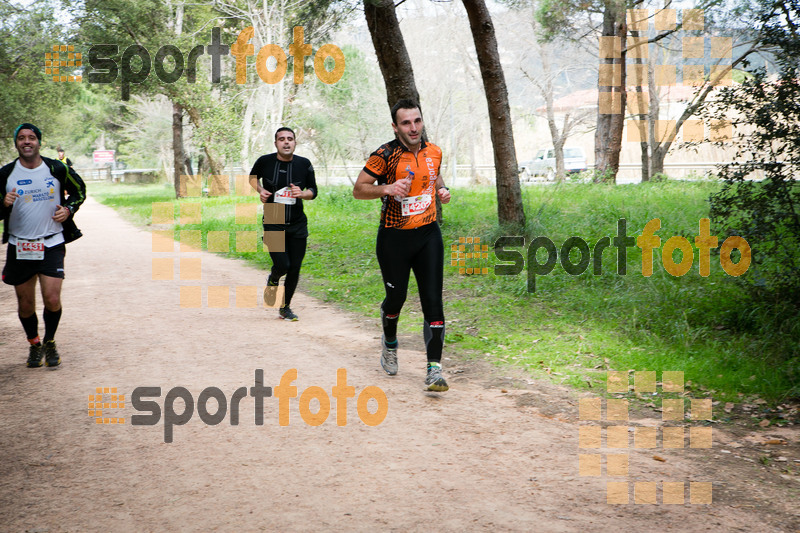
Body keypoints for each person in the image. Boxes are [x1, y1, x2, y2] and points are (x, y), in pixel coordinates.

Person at [353, 99, 451, 392]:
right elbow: (359, 189)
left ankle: (434, 370)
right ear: (395, 127)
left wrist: (442, 189)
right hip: (394, 238)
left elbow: (434, 176)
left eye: (417, 121)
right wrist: (387, 188)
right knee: (396, 300)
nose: (413, 128)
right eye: (406, 123)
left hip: (428, 234)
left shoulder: (434, 151)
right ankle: (390, 344)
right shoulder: (384, 155)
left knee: (433, 301)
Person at [1, 123, 86, 368]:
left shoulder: (57, 168)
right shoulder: (6, 174)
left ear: (39, 141)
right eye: (21, 138)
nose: (26, 141)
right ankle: (34, 345)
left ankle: (49, 341)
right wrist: (3, 204)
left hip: (52, 243)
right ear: (16, 143)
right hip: (20, 245)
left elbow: (79, 191)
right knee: (25, 305)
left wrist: (69, 209)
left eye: (31, 138)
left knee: (51, 299)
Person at [249, 127, 317, 321]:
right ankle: (273, 278)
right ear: (276, 143)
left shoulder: (304, 164)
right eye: (282, 139)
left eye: (290, 139)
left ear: (295, 143)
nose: (286, 142)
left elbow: (314, 189)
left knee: (295, 267)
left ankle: (285, 307)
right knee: (283, 264)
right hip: (273, 218)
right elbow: (252, 178)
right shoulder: (264, 161)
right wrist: (260, 190)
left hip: (297, 222)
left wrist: (303, 194)